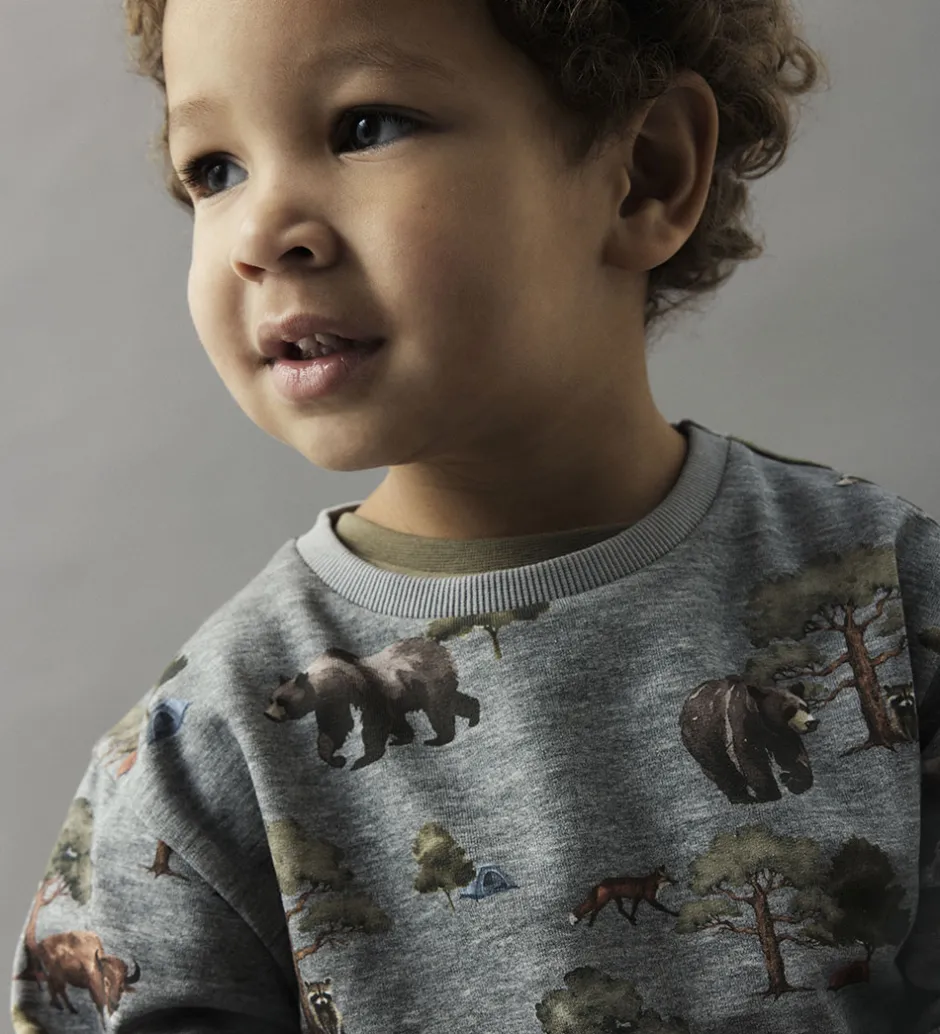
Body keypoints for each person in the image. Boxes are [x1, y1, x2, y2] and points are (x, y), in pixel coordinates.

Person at [11, 0, 940, 1030]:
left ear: (644, 172)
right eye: (214, 169)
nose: (262, 235)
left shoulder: (896, 597)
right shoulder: (201, 755)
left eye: (365, 127)